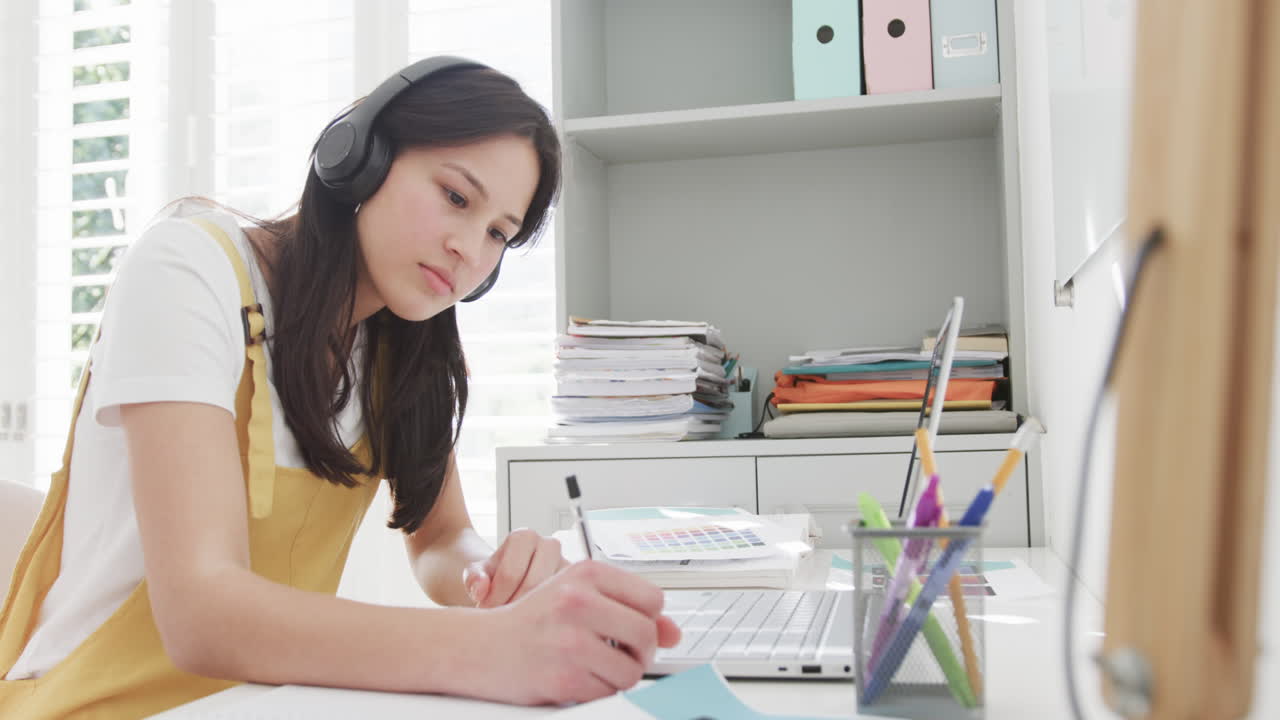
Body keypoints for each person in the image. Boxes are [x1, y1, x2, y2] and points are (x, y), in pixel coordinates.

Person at [0, 57, 680, 718]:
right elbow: (201, 614)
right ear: (359, 155)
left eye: (498, 233)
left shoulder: (404, 349)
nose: (470, 249)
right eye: (455, 197)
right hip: (100, 706)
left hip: (261, 704)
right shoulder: (188, 269)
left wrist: (495, 577)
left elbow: (442, 539)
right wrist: (491, 647)